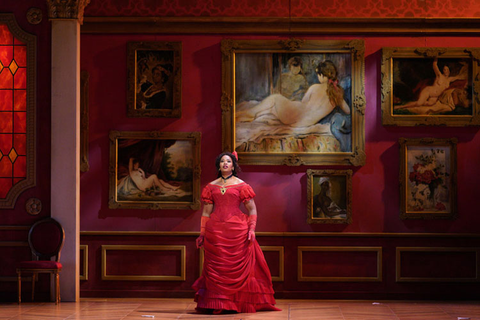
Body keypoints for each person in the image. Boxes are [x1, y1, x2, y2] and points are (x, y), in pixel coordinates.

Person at [192, 152, 281, 314]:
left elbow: (252, 209)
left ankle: (236, 304)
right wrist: (202, 233)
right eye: (222, 161)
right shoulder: (211, 186)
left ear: (234, 165)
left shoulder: (242, 185)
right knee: (217, 270)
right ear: (218, 165)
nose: (225, 164)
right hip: (216, 232)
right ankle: (218, 304)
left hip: (237, 231)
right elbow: (206, 212)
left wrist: (252, 229)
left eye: (228, 161)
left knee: (239, 270)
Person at [235, 60, 350, 128]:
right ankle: (252, 115)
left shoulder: (315, 87)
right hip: (302, 123)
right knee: (272, 108)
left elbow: (303, 103)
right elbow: (348, 111)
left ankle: (249, 113)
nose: (318, 78)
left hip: (296, 114)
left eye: (318, 75)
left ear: (322, 75)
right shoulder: (338, 95)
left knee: (275, 98)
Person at [395, 58, 467, 110]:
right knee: (419, 103)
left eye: (447, 70)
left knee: (429, 104)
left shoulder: (449, 80)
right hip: (429, 91)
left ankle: (415, 104)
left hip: (435, 97)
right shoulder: (439, 75)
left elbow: (459, 77)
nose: (445, 71)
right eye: (444, 69)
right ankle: (400, 107)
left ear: (449, 71)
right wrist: (436, 57)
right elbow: (434, 65)